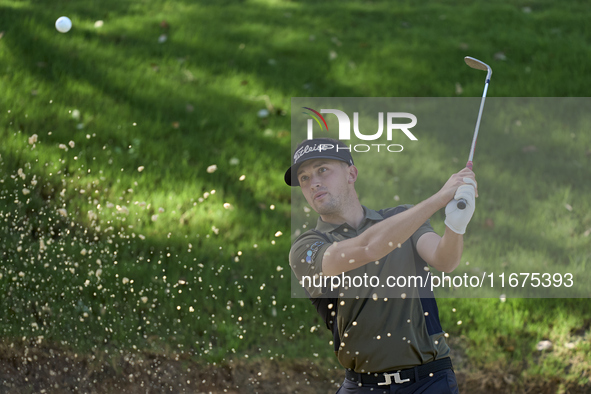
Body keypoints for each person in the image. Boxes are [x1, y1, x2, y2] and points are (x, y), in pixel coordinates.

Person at [285, 138, 477, 393]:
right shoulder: (307, 247)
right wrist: (438, 199)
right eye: (304, 178)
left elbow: (445, 261)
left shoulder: (402, 217)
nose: (313, 183)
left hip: (430, 380)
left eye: (322, 170)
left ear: (351, 173)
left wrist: (456, 226)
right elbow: (368, 248)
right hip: (363, 385)